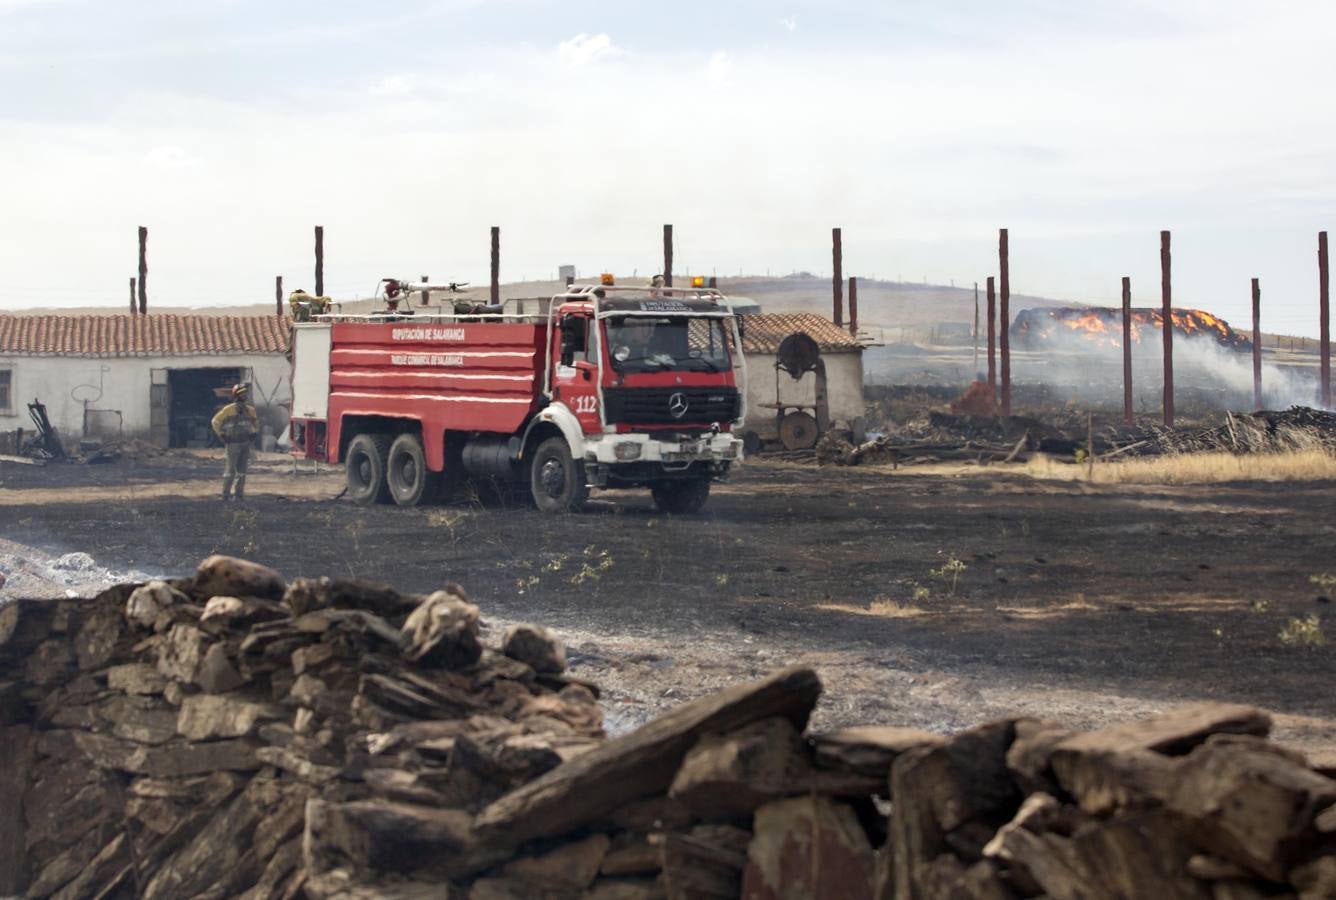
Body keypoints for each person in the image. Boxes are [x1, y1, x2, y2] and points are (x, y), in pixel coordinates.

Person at [212, 384, 259, 501]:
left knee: (242, 471)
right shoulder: (228, 410)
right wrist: (222, 435)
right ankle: (225, 495)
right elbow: (215, 421)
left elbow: (255, 423)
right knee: (230, 471)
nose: (243, 395)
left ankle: (239, 495)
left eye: (245, 393)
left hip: (245, 443)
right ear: (236, 395)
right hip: (232, 443)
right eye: (241, 393)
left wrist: (254, 432)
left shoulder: (250, 410)